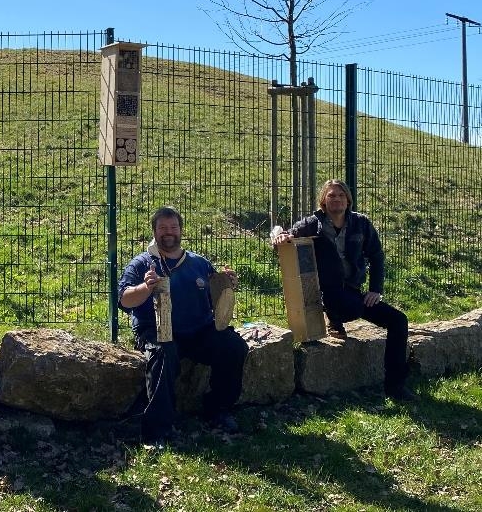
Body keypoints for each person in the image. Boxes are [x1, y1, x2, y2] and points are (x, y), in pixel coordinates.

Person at [271, 179, 416, 402]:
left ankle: (395, 386)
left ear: (348, 200)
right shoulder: (314, 224)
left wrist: (375, 290)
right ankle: (332, 315)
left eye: (340, 195)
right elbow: (284, 236)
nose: (336, 199)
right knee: (351, 307)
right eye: (331, 195)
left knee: (398, 320)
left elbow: (377, 256)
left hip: (354, 291)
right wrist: (280, 236)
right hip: (327, 293)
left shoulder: (361, 224)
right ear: (323, 201)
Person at [119, 206, 249, 443]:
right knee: (163, 353)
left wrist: (227, 284)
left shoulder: (199, 263)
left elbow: (217, 301)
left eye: (173, 227)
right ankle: (158, 430)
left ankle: (218, 410)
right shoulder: (141, 264)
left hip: (198, 331)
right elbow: (124, 300)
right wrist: (145, 287)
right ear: (154, 232)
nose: (168, 232)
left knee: (233, 346)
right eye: (162, 228)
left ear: (181, 230)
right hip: (156, 330)